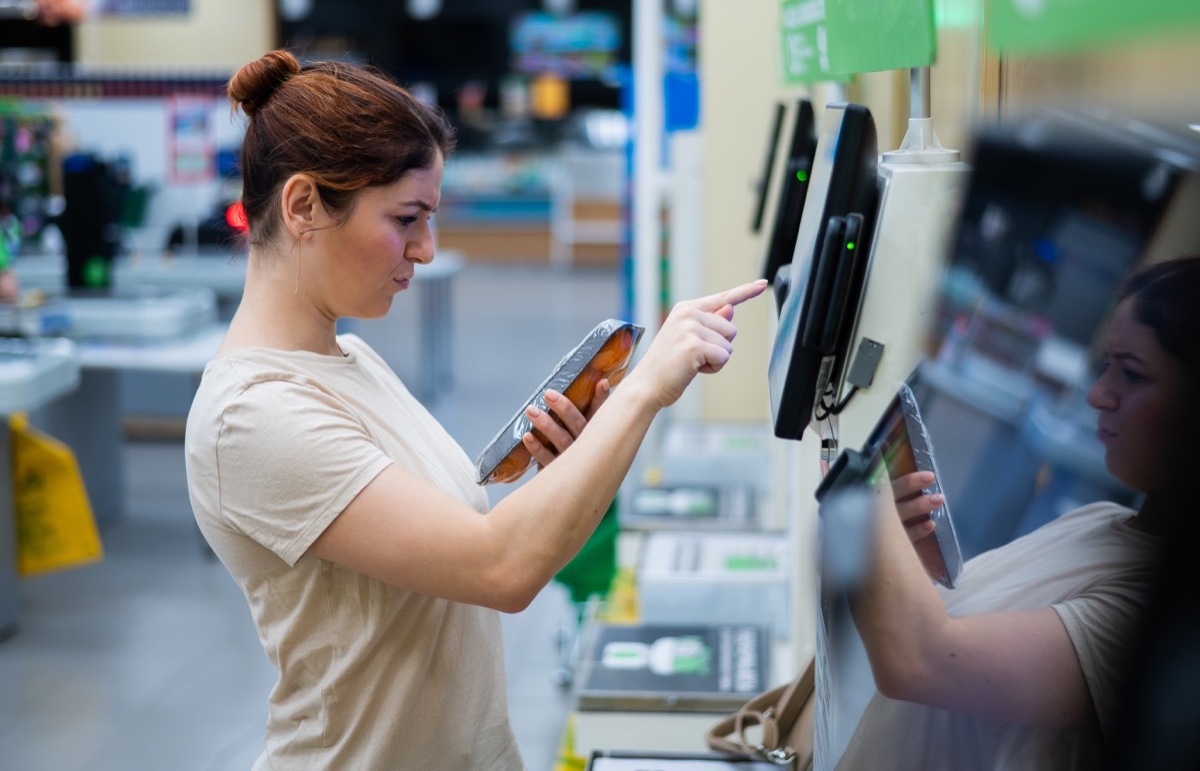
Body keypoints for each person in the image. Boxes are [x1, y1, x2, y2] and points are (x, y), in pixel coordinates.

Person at [183, 49, 767, 771]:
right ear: (304, 205)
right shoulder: (251, 416)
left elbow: (456, 551)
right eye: (407, 219)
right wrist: (645, 389)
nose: (425, 250)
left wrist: (564, 466)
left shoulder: (351, 360)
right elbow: (500, 570)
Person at [834, 253, 1200, 770]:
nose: (1099, 395)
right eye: (1106, 367)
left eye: (1133, 374)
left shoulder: (1144, 611)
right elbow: (952, 635)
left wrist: (862, 479)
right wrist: (906, 556)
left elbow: (920, 660)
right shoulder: (1100, 521)